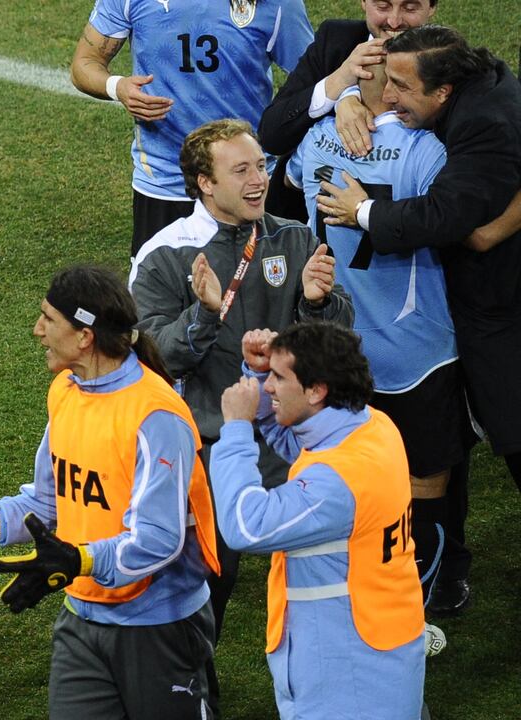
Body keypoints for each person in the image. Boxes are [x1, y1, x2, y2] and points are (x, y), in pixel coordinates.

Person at [0, 265, 222, 718]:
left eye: (48, 320)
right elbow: (47, 502)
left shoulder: (156, 416)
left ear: (84, 337)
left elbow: (158, 540)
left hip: (159, 626)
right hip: (83, 616)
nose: (37, 330)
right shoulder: (67, 392)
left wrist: (80, 560)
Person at [129, 118, 354, 640]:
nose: (258, 180)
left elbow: (338, 347)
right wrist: (204, 316)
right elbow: (150, 359)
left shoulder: (294, 237)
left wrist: (316, 304)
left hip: (293, 435)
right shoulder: (165, 253)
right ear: (205, 183)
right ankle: (192, 686)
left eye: (261, 166)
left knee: (327, 561)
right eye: (241, 170)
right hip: (208, 443)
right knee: (208, 581)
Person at [316, 26, 521, 502]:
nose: (387, 97)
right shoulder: (481, 83)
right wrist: (347, 94)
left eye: (402, 87)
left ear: (444, 90)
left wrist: (361, 211)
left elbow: (448, 219)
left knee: (509, 420)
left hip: (500, 304)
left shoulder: (483, 123)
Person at [287, 59, 462, 611]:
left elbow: (285, 166)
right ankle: (420, 599)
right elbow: (452, 219)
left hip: (336, 345)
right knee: (425, 484)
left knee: (338, 473)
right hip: (418, 349)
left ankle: (351, 589)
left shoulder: (315, 140)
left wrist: (338, 105)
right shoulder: (429, 150)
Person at [210, 322, 425, 719]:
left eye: (278, 378)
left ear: (316, 389)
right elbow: (301, 443)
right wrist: (258, 375)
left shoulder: (336, 484)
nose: (268, 388)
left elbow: (245, 525)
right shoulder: (371, 427)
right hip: (376, 654)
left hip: (348, 681)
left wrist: (237, 430)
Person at [69, 0, 313, 253]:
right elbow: (84, 63)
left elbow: (314, 75)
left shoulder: (278, 3)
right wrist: (116, 87)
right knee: (161, 288)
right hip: (164, 181)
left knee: (254, 288)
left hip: (246, 182)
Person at [258, 0, 439, 218]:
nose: (394, 21)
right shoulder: (335, 40)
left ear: (432, 7)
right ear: (363, 2)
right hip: (305, 229)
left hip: (405, 226)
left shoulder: (447, 60)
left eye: (410, 8)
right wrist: (339, 84)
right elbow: (272, 135)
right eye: (383, 6)